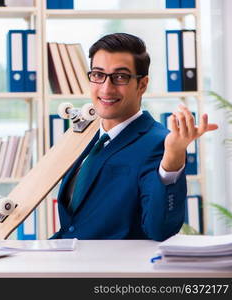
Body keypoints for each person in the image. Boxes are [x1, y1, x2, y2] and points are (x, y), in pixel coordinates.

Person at [51, 33, 218, 241]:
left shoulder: (158, 143)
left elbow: (160, 230)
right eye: (98, 74)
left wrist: (173, 157)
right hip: (65, 263)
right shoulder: (85, 137)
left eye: (120, 77)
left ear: (142, 85)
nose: (106, 88)